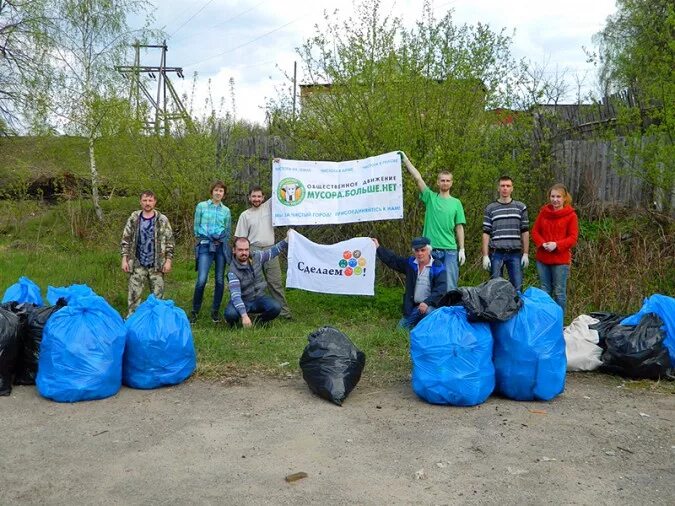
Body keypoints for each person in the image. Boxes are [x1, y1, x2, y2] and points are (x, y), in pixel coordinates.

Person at [399, 152, 466, 290]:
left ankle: (449, 311)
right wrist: (405, 160)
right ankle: (430, 310)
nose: (445, 183)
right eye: (442, 180)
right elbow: (417, 178)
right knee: (428, 284)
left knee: (450, 285)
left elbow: (459, 227)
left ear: (451, 183)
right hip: (430, 249)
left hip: (450, 250)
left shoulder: (456, 203)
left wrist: (462, 249)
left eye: (448, 180)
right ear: (438, 182)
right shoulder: (430, 197)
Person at [234, 186, 292, 319]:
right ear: (249, 198)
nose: (256, 199)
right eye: (254, 196)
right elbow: (240, 238)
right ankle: (249, 311)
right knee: (253, 283)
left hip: (271, 249)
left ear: (263, 198)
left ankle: (284, 312)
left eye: (259, 196)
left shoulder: (269, 207)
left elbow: (280, 188)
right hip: (253, 250)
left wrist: (279, 165)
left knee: (275, 281)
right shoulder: (245, 215)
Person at [373, 236, 447, 330]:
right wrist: (378, 247)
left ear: (429, 250)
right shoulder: (410, 263)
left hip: (430, 307)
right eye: (417, 250)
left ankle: (428, 326)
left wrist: (427, 302)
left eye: (422, 250)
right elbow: (393, 260)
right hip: (415, 307)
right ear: (414, 251)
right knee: (400, 330)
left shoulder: (438, 267)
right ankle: (418, 322)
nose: (420, 253)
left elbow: (442, 289)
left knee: (427, 326)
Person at [120, 190, 174, 316]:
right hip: (137, 263)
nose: (147, 203)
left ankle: (156, 323)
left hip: (157, 265)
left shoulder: (162, 219)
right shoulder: (134, 218)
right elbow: (125, 239)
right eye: (144, 200)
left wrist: (168, 260)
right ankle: (131, 323)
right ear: (140, 202)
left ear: (154, 202)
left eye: (150, 200)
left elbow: (170, 241)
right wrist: (124, 259)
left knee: (157, 299)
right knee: (134, 297)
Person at [531, 183, 579, 314]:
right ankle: (545, 319)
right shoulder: (543, 213)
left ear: (564, 198)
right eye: (553, 196)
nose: (555, 199)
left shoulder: (571, 216)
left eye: (558, 196)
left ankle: (559, 321)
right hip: (543, 259)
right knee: (544, 290)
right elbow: (535, 232)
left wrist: (556, 245)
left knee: (559, 292)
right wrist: (542, 244)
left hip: (560, 261)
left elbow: (573, 237)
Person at [224, 234, 290, 327]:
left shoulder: (256, 257)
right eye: (240, 250)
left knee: (276, 307)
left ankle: (259, 321)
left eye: (246, 249)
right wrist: (244, 316)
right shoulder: (232, 271)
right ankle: (236, 324)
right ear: (234, 250)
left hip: (259, 298)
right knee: (230, 315)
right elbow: (236, 296)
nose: (244, 253)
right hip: (242, 300)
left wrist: (286, 240)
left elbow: (272, 252)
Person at [190, 180, 232, 323]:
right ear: (211, 192)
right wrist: (206, 237)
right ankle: (195, 311)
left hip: (220, 246)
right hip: (205, 245)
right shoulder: (201, 206)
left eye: (221, 191)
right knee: (201, 279)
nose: (218, 193)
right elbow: (196, 227)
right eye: (216, 190)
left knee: (220, 280)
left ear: (224, 194)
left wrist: (221, 239)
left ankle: (215, 311)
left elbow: (227, 230)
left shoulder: (226, 210)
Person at [481, 175, 530, 291]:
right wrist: (485, 255)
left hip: (515, 253)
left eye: (508, 186)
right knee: (495, 289)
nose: (505, 188)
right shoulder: (490, 208)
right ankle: (497, 309)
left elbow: (525, 232)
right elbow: (486, 233)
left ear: (512, 188)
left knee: (517, 287)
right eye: (502, 186)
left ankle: (516, 308)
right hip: (496, 253)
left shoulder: (521, 207)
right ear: (498, 188)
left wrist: (526, 253)